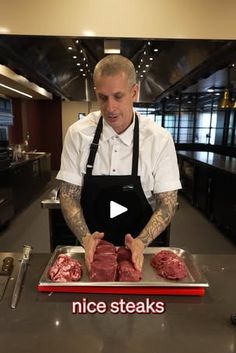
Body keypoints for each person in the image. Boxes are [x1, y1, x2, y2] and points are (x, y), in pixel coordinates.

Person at [56, 54, 181, 272]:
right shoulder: (78, 134)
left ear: (134, 92)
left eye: (118, 96)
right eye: (103, 98)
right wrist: (86, 238)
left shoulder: (158, 139)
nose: (110, 107)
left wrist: (140, 243)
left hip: (140, 250)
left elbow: (168, 203)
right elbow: (68, 195)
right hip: (92, 249)